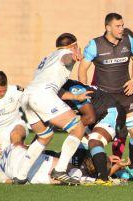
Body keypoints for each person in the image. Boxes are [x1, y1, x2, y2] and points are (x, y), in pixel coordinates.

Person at [13, 33, 91, 185]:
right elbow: (66, 58)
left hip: (27, 97)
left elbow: (54, 87)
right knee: (78, 128)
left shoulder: (48, 58)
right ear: (73, 45)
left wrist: (75, 97)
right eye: (76, 46)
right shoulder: (66, 53)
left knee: (44, 136)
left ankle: (21, 176)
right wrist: (73, 56)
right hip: (42, 96)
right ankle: (60, 170)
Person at [78, 13, 133, 180]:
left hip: (125, 95)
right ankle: (85, 166)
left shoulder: (130, 42)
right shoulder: (95, 45)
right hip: (104, 99)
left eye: (122, 25)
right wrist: (83, 91)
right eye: (118, 26)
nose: (122, 29)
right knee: (92, 136)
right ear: (108, 27)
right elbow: (83, 68)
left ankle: (132, 167)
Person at [60, 79, 126, 184]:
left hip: (109, 111)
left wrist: (65, 127)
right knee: (77, 152)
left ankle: (103, 179)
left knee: (94, 141)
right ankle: (108, 171)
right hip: (93, 116)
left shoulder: (74, 89)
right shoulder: (51, 92)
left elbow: (90, 118)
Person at [0, 144, 129, 185]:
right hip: (42, 160)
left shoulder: (0, 174)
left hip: (32, 173)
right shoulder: (9, 149)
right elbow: (24, 146)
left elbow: (10, 182)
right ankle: (104, 176)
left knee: (63, 177)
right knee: (68, 173)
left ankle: (104, 175)